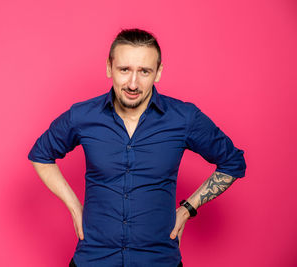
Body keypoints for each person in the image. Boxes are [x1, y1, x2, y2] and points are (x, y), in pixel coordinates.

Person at [28, 28, 246, 267]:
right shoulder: (82, 116)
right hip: (94, 259)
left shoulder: (184, 118)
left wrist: (187, 208)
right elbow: (41, 154)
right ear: (109, 67)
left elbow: (233, 162)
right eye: (124, 70)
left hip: (159, 260)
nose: (133, 83)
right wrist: (74, 206)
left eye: (144, 71)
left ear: (158, 72)